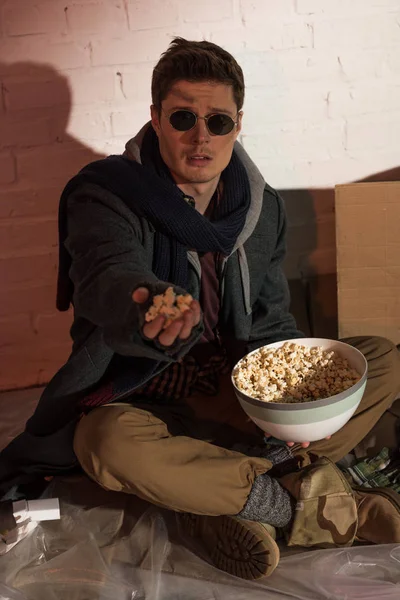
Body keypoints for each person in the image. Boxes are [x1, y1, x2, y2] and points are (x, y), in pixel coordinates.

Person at [1, 38, 400, 580]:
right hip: (146, 395)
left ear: (238, 124)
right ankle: (289, 501)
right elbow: (105, 272)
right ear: (156, 119)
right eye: (183, 117)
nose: (200, 137)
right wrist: (146, 305)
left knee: (380, 359)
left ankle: (211, 493)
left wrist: (291, 403)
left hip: (238, 391)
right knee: (103, 444)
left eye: (217, 121)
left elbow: (271, 317)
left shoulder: (262, 208)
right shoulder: (105, 194)